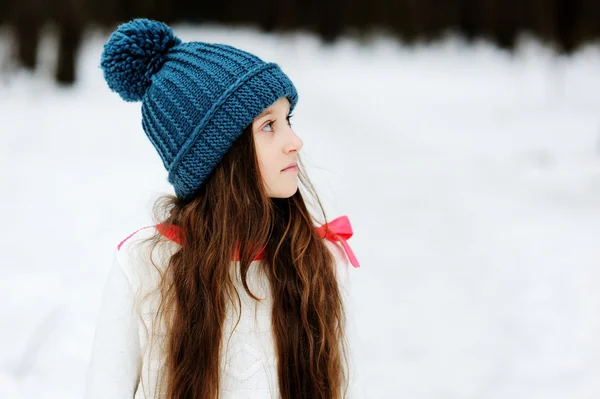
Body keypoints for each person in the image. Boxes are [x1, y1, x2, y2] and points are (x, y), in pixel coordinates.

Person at [83, 18, 360, 399]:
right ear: (219, 157)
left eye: (288, 120)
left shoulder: (316, 259)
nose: (295, 140)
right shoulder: (145, 265)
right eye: (268, 126)